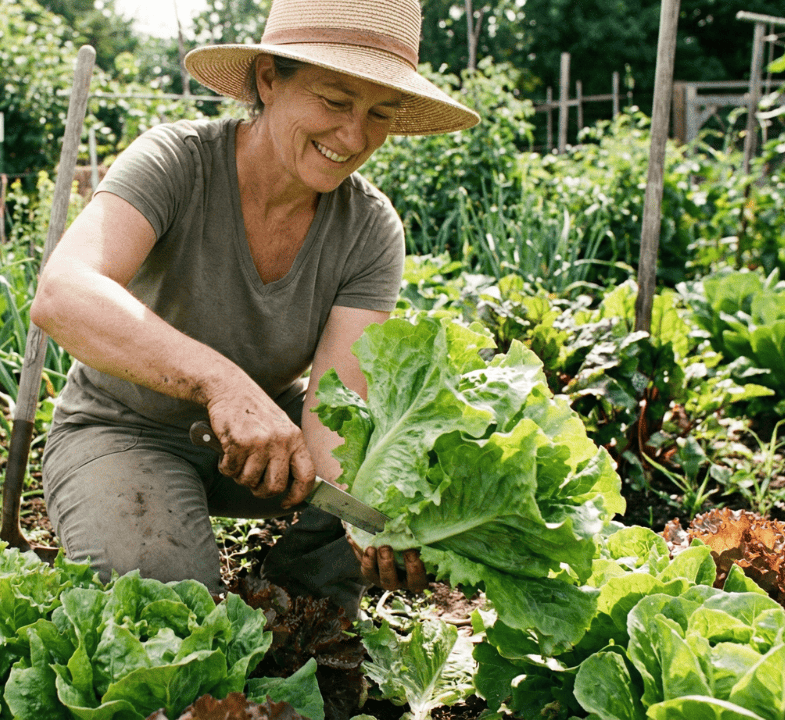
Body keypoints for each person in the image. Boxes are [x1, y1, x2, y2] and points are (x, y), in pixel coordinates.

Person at [29, 0, 479, 615]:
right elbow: (64, 293)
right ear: (269, 79)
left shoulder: (369, 229)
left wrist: (373, 515)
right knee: (168, 609)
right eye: (335, 101)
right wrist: (221, 383)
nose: (354, 137)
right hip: (123, 426)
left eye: (380, 113)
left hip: (267, 446)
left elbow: (334, 420)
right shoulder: (177, 161)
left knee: (399, 468)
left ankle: (304, 607)